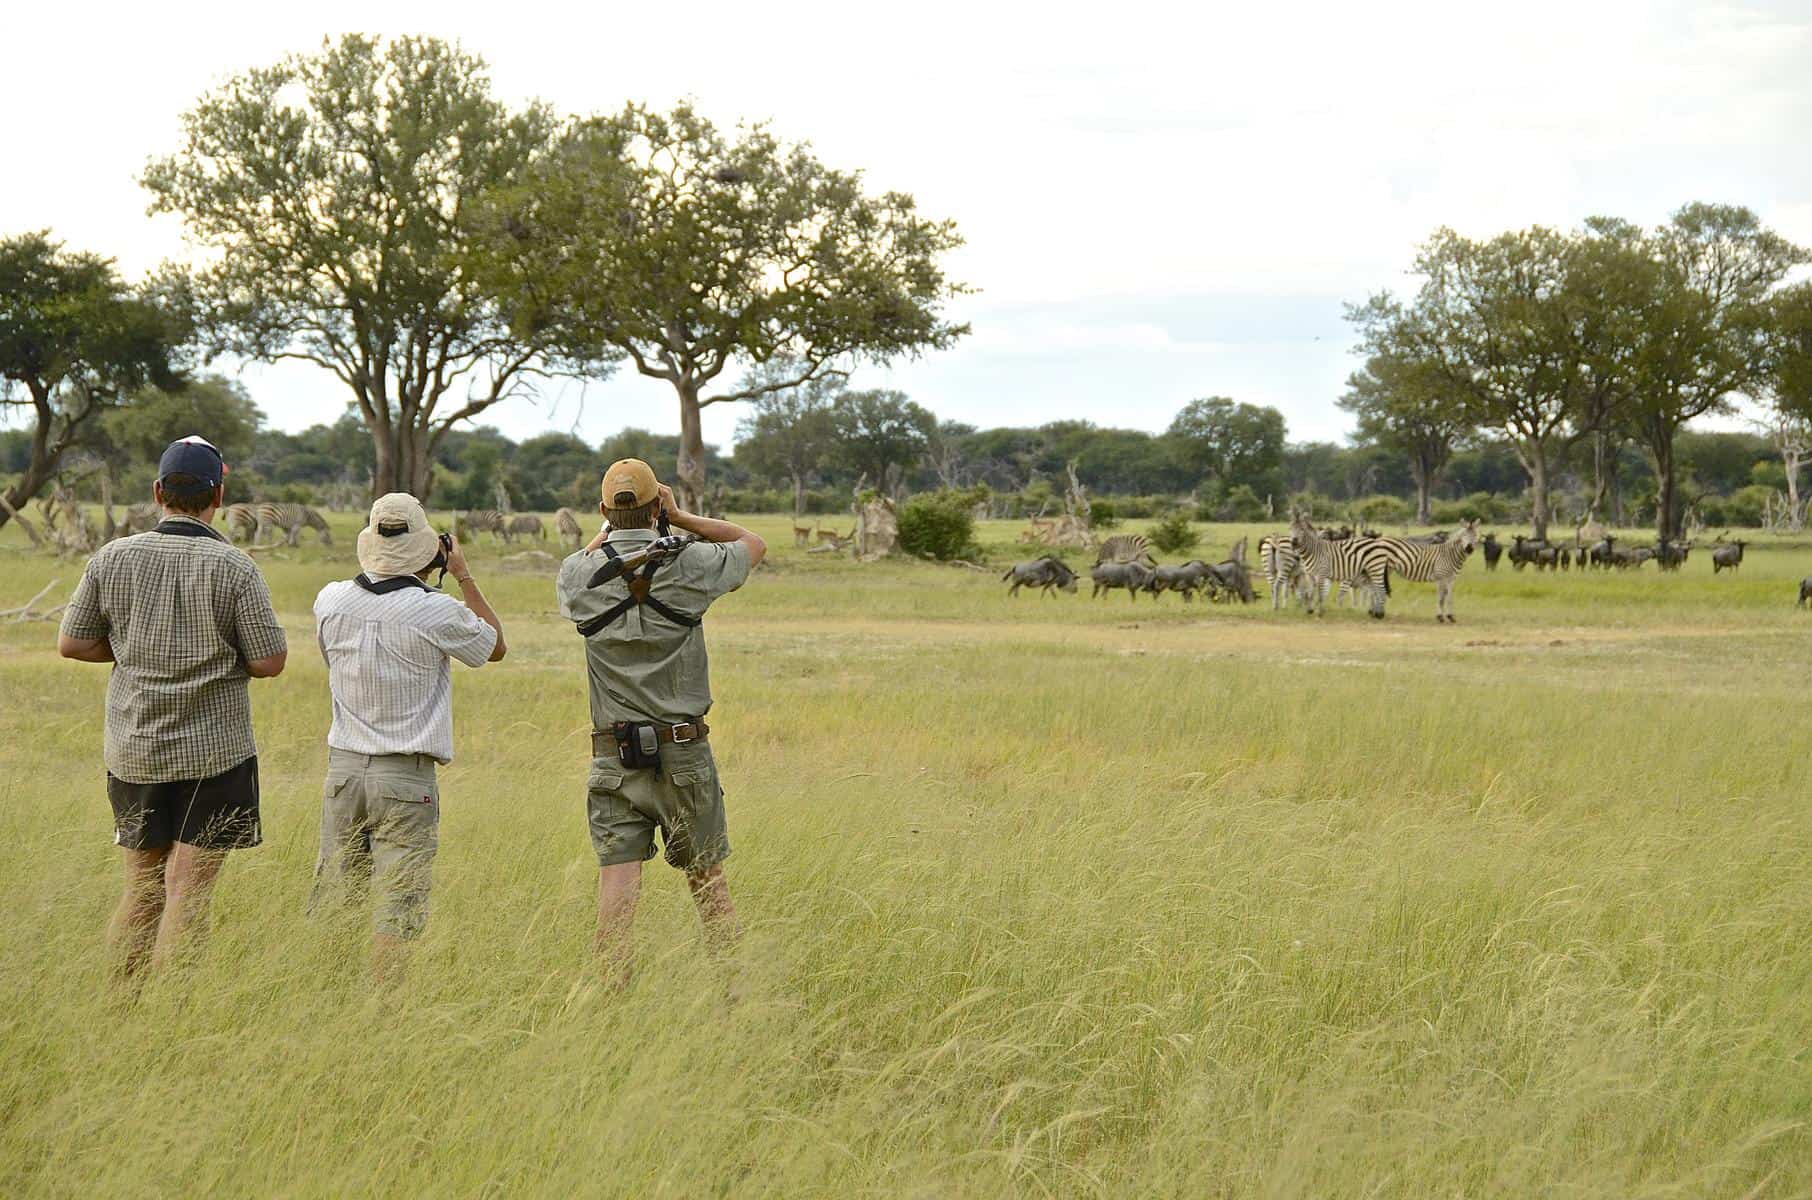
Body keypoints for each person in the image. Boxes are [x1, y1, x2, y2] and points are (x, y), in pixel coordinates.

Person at [57, 436, 288, 978]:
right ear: (218, 495)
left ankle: (122, 1013)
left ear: (158, 490)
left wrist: (136, 652)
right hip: (215, 755)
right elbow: (270, 661)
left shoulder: (112, 557)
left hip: (135, 750)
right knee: (189, 894)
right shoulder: (236, 567)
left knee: (141, 889)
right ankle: (175, 1018)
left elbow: (72, 643)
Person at [556, 459, 765, 985]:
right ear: (658, 505)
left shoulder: (577, 572)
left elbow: (588, 559)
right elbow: (752, 542)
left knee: (617, 892)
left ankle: (610, 999)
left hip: (613, 756)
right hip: (683, 750)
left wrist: (607, 532)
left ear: (603, 511)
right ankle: (734, 994)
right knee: (708, 885)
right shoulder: (689, 562)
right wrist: (682, 516)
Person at [310, 493, 505, 979]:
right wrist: (461, 573)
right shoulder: (436, 610)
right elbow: (494, 646)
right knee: (398, 904)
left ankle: (330, 994)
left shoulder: (330, 600)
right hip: (405, 775)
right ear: (429, 550)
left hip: (343, 770)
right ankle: (385, 1009)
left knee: (339, 895)